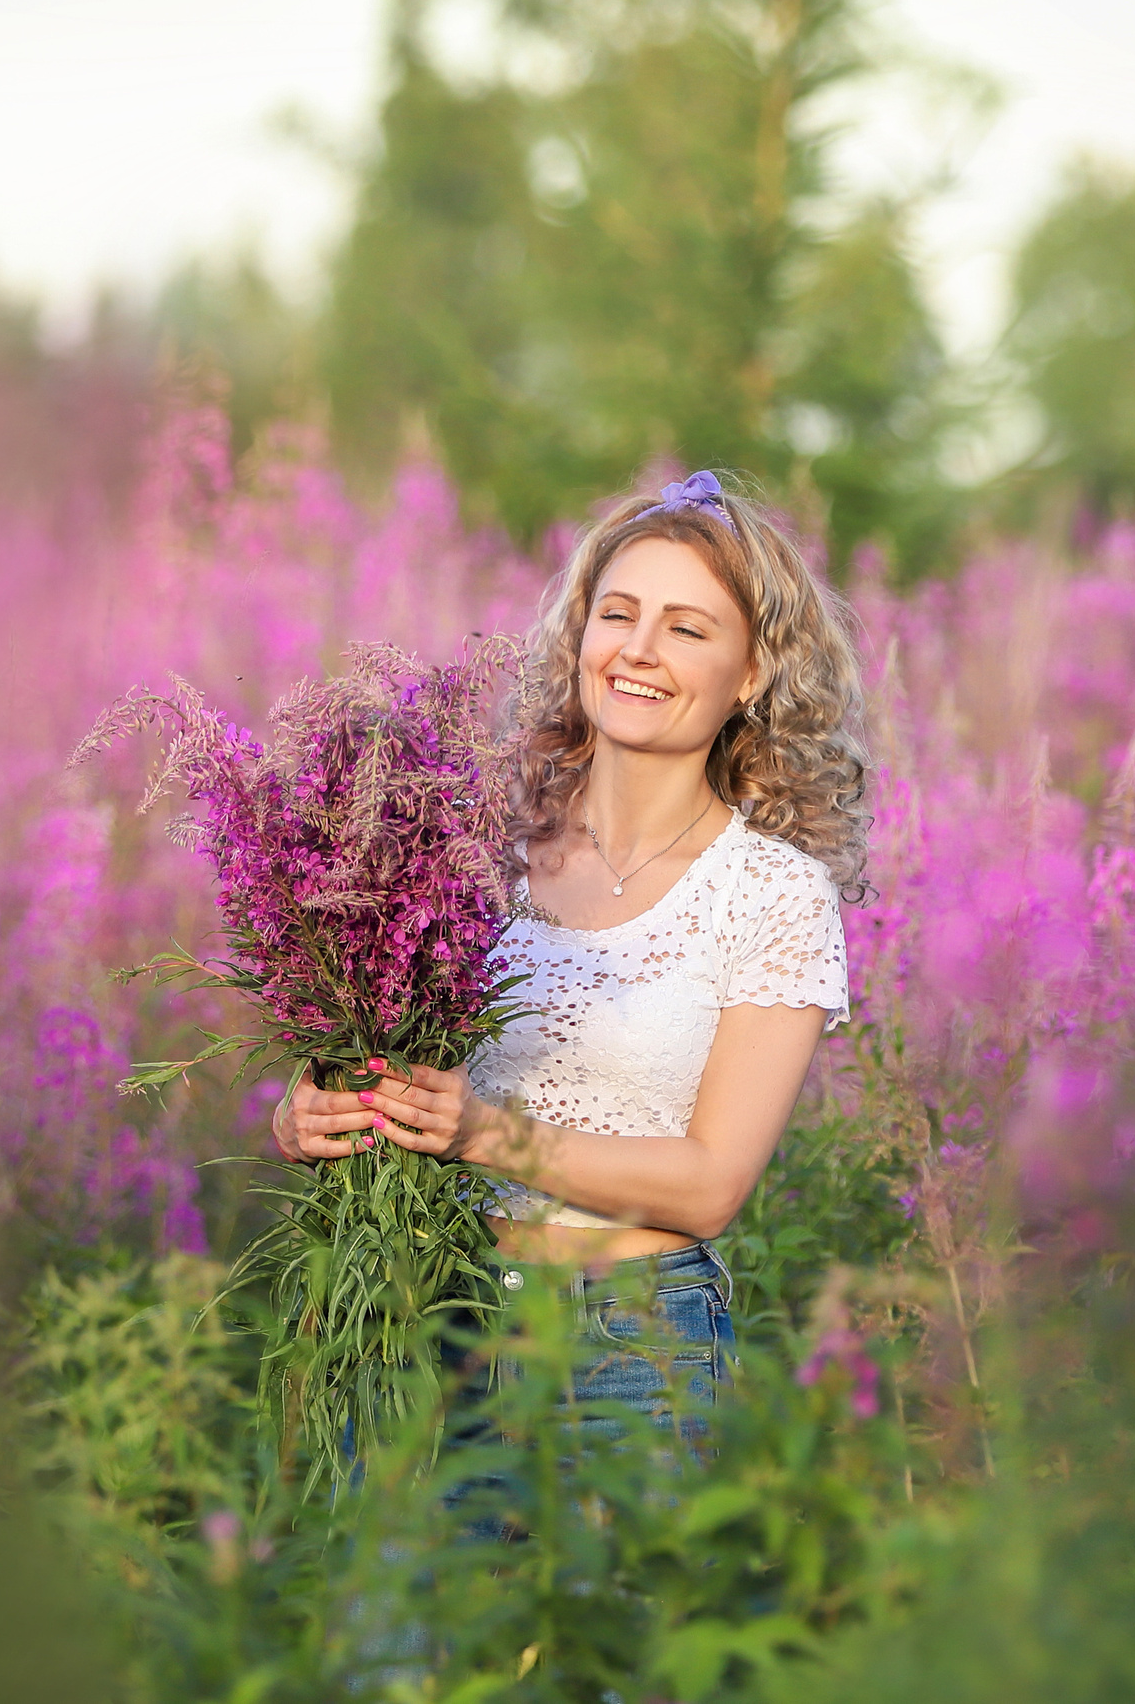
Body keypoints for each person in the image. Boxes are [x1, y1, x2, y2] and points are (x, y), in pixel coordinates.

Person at [270, 469, 869, 1416]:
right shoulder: (465, 842)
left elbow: (712, 1185)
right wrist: (307, 1117)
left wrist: (486, 1133)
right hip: (427, 1316)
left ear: (751, 674)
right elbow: (367, 1049)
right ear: (580, 632)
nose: (638, 650)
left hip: (635, 1352)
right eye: (617, 613)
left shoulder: (773, 894)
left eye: (687, 627)